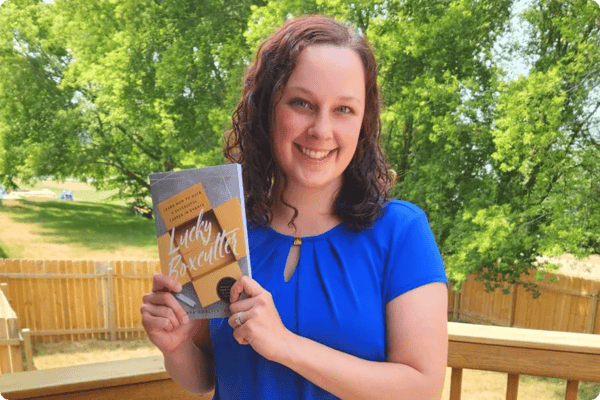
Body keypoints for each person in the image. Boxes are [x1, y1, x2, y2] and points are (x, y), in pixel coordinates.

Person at [141, 15, 448, 400]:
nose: (321, 129)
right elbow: (206, 377)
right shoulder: (218, 228)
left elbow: (422, 390)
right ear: (268, 109)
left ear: (364, 122)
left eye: (343, 109)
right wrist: (176, 345)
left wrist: (284, 345)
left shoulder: (402, 232)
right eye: (302, 103)